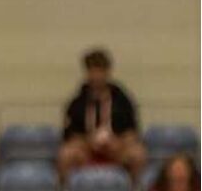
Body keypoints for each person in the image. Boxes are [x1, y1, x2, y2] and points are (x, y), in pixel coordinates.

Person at [57, 49, 147, 181]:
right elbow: (69, 136)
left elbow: (132, 133)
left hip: (117, 149)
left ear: (107, 72)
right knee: (64, 155)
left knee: (138, 154)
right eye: (92, 71)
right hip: (87, 150)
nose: (96, 76)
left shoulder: (122, 100)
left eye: (100, 71)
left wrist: (117, 143)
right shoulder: (77, 102)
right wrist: (88, 141)